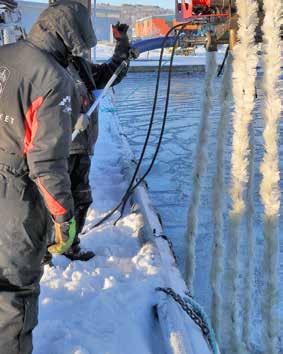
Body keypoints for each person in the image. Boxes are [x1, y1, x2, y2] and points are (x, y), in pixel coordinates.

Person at [0, 1, 96, 353]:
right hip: (16, 200)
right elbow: (47, 163)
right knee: (15, 296)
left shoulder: (4, 54)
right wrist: (64, 219)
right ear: (67, 37)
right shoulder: (53, 79)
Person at [61, 22, 131, 261]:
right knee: (55, 202)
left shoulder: (79, 65)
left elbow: (108, 74)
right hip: (58, 149)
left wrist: (122, 47)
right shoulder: (47, 66)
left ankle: (69, 244)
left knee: (81, 198)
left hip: (80, 146)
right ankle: (45, 252)